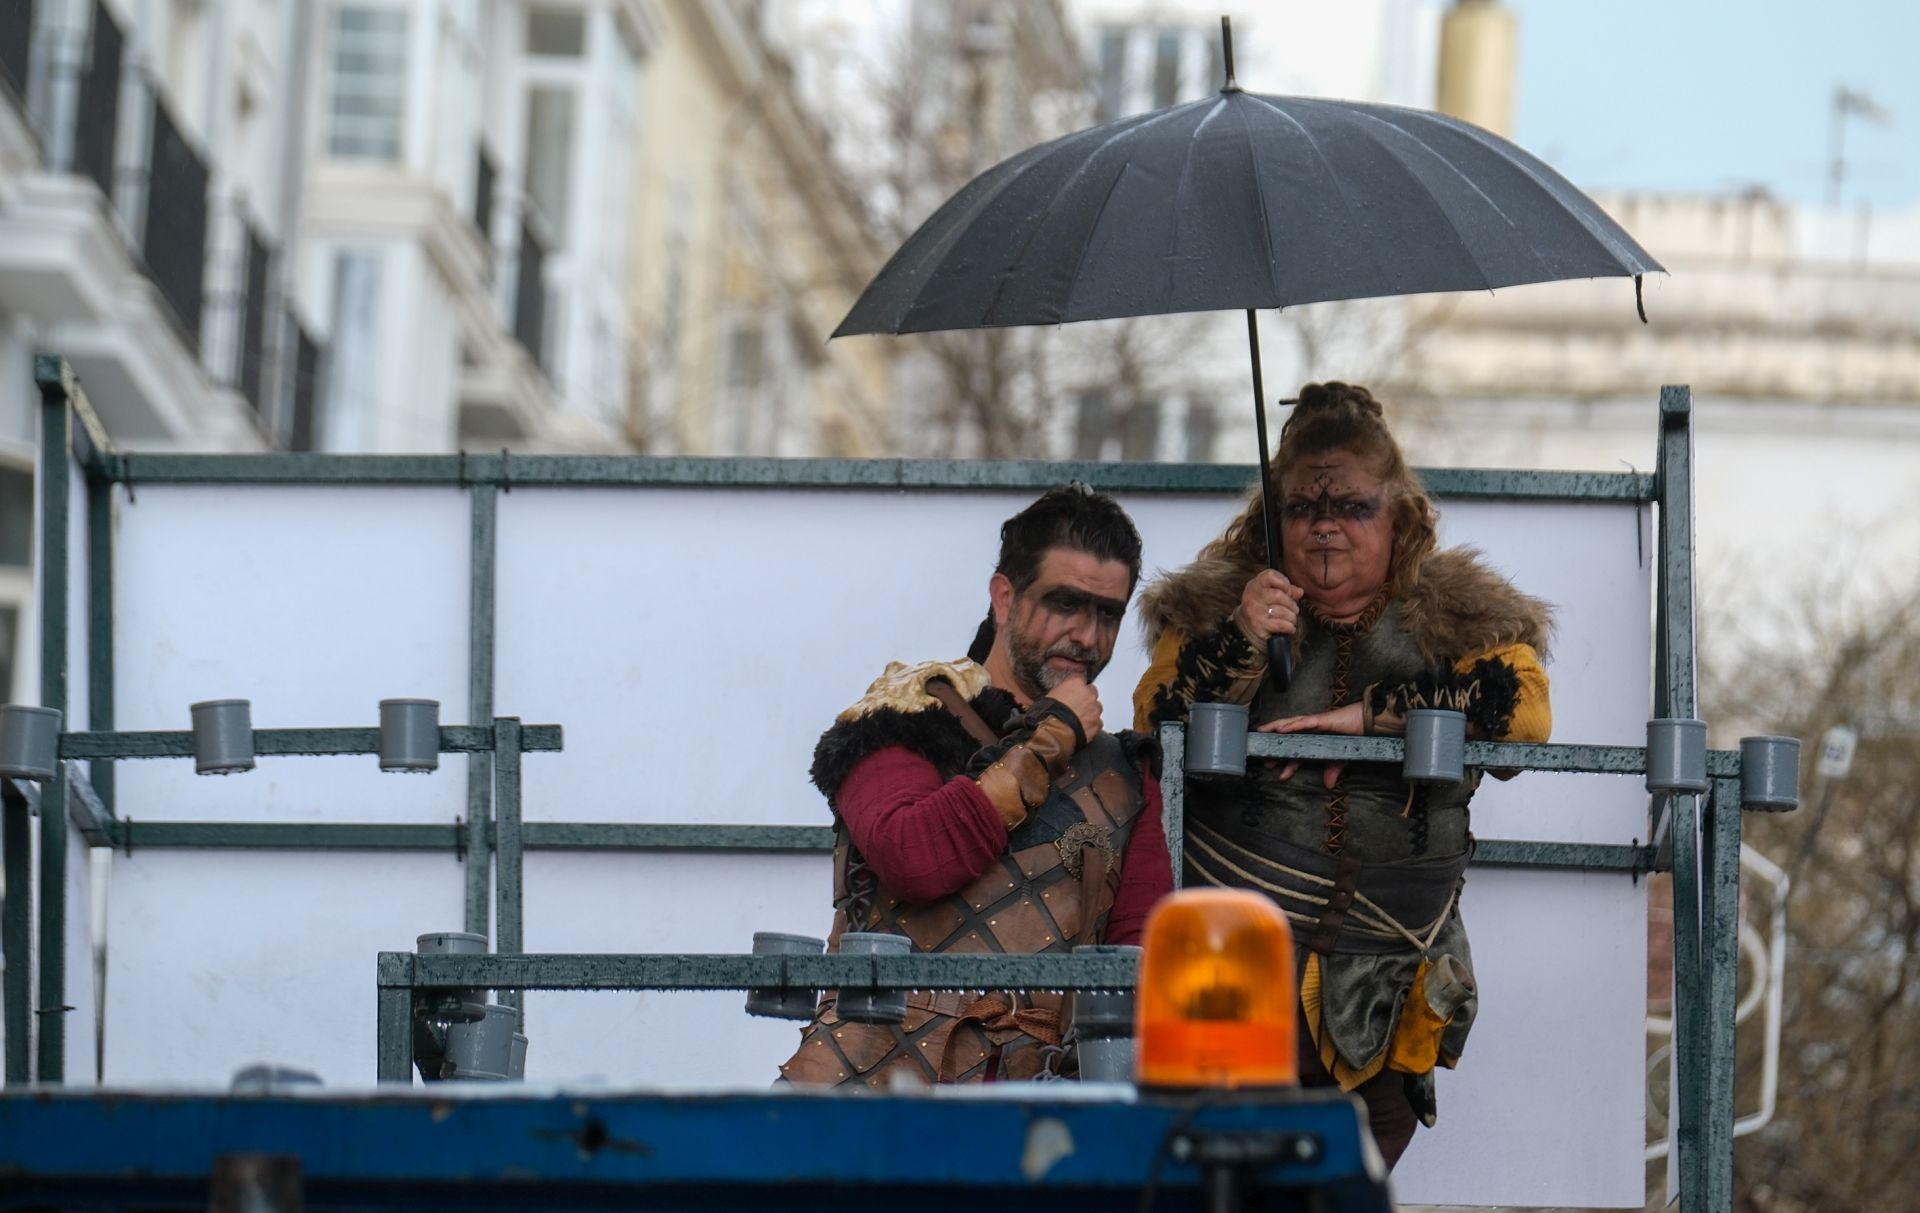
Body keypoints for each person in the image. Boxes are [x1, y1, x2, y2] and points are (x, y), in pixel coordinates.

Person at [1131, 382, 1552, 1167]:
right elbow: (1155, 722)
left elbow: (1523, 718)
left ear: (1400, 518)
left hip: (1392, 972)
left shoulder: (1459, 615)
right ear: (1272, 519)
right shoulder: (1218, 606)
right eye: (1302, 507)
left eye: (1353, 506)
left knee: (1352, 1167)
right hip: (1233, 974)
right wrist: (1241, 637)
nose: (1325, 525)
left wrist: (1377, 715)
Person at [779, 485, 1173, 1089]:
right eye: (1065, 603)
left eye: (1107, 614)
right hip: (864, 1088)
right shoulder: (904, 715)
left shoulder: (1127, 773)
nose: (1087, 637)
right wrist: (1051, 739)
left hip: (1034, 1102)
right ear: (1005, 597)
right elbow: (912, 858)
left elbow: (1140, 964)